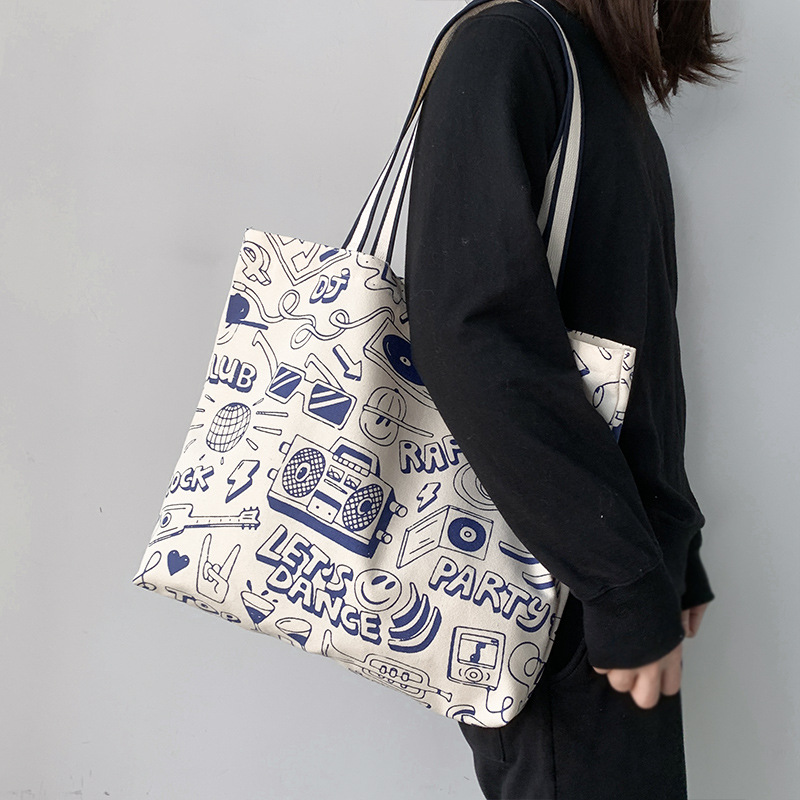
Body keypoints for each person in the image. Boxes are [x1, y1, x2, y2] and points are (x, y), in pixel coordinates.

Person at [403, 1, 733, 797]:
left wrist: (671, 549)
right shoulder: (511, 46)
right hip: (556, 595)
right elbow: (473, 339)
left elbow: (633, 342)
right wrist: (622, 579)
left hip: (599, 580)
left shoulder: (591, 70)